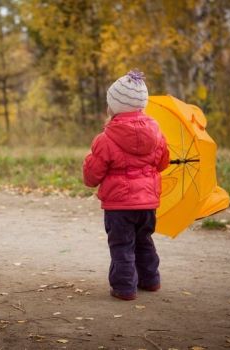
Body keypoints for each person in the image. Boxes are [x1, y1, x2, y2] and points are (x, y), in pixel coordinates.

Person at [83, 70, 170, 301]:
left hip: (119, 207)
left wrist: (89, 161)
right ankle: (150, 280)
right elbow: (162, 164)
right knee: (144, 241)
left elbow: (91, 177)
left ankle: (124, 287)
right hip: (147, 204)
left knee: (122, 245)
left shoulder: (105, 139)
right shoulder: (158, 135)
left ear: (114, 107)